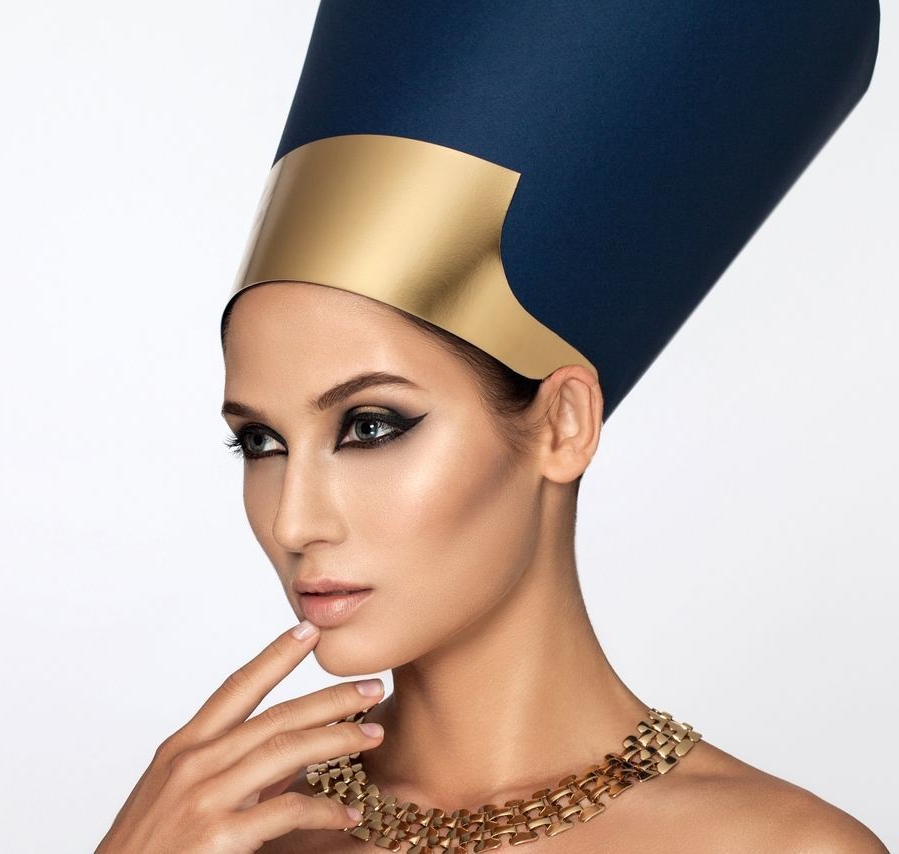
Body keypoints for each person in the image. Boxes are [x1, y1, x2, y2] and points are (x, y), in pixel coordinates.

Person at [97, 1, 885, 851]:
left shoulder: (778, 847)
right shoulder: (226, 833)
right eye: (260, 441)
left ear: (562, 424)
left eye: (369, 426)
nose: (293, 522)